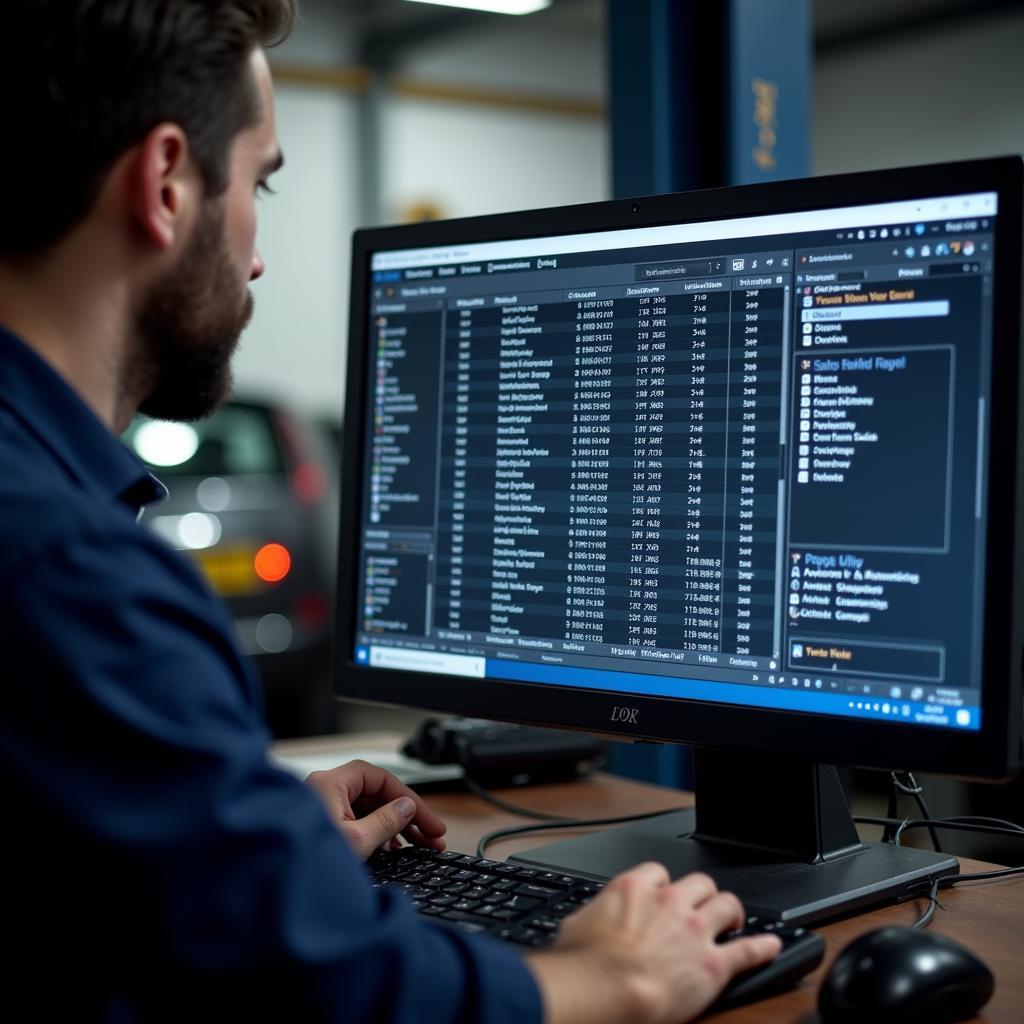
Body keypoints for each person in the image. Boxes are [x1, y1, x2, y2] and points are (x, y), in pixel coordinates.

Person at [0, 2, 781, 1021]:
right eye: (262, 182)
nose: (259, 256)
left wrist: (244, 841)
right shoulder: (67, 567)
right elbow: (329, 997)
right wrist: (610, 978)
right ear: (165, 183)